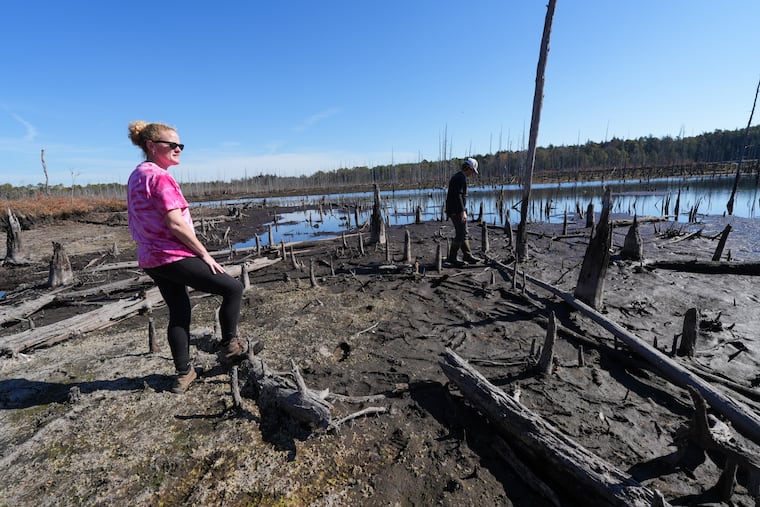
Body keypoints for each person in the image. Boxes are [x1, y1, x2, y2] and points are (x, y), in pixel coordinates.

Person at [126, 120, 256, 394]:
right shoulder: (160, 177)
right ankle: (230, 348)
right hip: (172, 254)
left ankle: (183, 374)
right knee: (232, 288)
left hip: (151, 258)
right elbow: (175, 224)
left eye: (180, 145)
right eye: (171, 144)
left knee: (180, 310)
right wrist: (204, 254)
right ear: (151, 146)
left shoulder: (137, 174)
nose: (178, 149)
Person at [445, 157, 482, 267]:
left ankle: (467, 255)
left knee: (463, 232)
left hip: (455, 209)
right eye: (472, 171)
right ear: (469, 168)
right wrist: (462, 212)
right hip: (456, 210)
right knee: (461, 233)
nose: (472, 174)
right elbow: (458, 196)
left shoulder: (458, 177)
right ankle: (452, 258)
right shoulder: (460, 178)